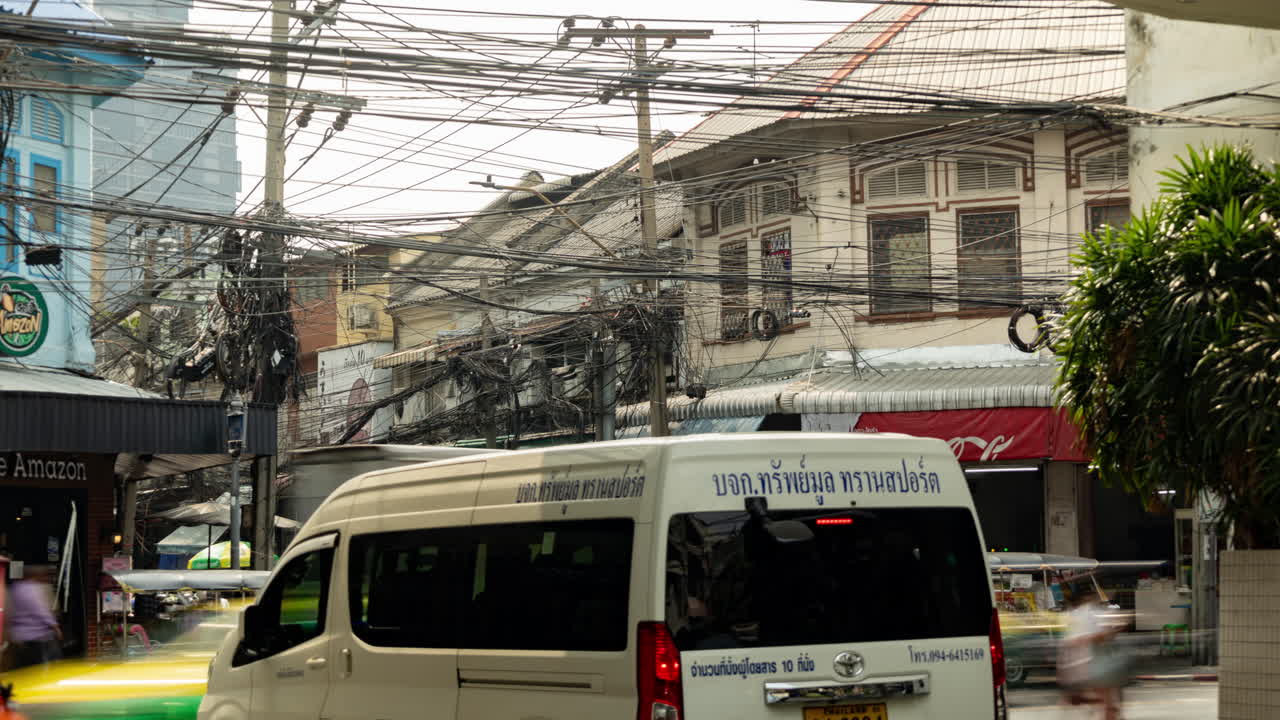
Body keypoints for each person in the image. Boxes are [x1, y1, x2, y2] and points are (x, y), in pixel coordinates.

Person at [1058, 588, 1128, 720]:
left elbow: (1069, 644)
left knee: (1104, 699)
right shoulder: (1086, 614)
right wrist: (1112, 631)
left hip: (1085, 666)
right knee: (1106, 699)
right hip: (1090, 665)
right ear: (1086, 598)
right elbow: (1089, 638)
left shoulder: (1075, 615)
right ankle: (1111, 710)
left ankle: (1110, 710)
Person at [5, 565, 62, 670]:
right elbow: (40, 610)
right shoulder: (32, 589)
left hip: (18, 636)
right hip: (36, 635)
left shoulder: (14, 588)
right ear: (35, 575)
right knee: (41, 664)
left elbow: (9, 611)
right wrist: (54, 626)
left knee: (24, 665)